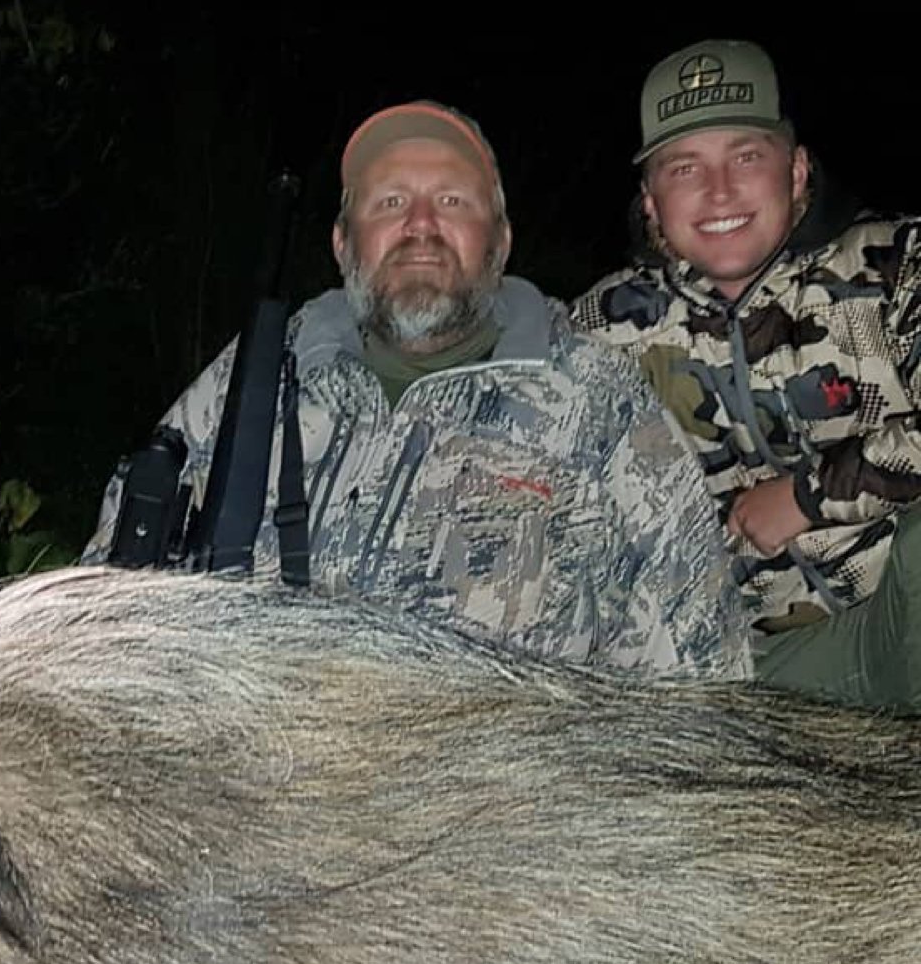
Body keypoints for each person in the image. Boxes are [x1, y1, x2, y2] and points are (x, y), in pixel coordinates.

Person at [85, 101, 750, 680]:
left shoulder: (601, 404)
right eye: (391, 202)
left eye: (453, 201)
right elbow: (112, 588)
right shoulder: (252, 379)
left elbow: (700, 662)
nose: (421, 225)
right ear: (345, 244)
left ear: (501, 241)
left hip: (502, 810)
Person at [573, 38, 921, 709]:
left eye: (746, 156)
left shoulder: (897, 265)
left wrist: (807, 497)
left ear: (796, 172)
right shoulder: (602, 327)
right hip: (729, 663)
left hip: (897, 622)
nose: (720, 191)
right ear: (650, 202)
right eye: (684, 168)